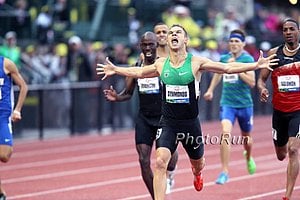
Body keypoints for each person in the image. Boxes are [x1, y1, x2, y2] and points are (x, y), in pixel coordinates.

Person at [96, 24, 277, 200]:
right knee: (160, 162)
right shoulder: (161, 64)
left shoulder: (196, 62)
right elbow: (140, 72)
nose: (174, 35)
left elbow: (227, 68)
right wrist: (115, 69)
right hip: (168, 123)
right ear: (167, 41)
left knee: (198, 164)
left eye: (178, 33)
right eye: (171, 33)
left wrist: (256, 65)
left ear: (186, 40)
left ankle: (197, 174)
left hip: (191, 124)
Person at [103, 31, 178, 198]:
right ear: (140, 46)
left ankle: (173, 162)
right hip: (144, 119)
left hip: (164, 119)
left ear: (157, 45)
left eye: (151, 44)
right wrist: (117, 97)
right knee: (144, 161)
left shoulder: (165, 65)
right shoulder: (136, 67)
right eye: (144, 45)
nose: (148, 48)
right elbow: (128, 93)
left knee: (166, 161)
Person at [203, 29, 257, 185]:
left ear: (243, 44)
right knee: (225, 133)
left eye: (237, 41)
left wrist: (236, 68)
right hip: (227, 104)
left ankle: (248, 156)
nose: (233, 44)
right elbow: (218, 74)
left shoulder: (247, 59)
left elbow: (252, 83)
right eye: (231, 41)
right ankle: (224, 171)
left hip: (245, 105)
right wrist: (210, 90)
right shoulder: (224, 58)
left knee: (246, 137)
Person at [257, 18, 300, 200]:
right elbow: (261, 79)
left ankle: (287, 196)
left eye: (291, 29)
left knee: (293, 150)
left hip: (298, 110)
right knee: (281, 154)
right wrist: (262, 89)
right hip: (279, 111)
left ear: (298, 31)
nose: (288, 32)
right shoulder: (274, 54)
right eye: (285, 30)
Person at [0, 56, 28, 199]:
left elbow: (23, 86)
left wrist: (17, 109)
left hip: (3, 116)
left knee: (4, 155)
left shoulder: (6, 64)